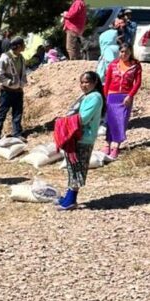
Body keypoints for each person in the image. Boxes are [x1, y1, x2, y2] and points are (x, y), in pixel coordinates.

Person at [56, 71, 105, 210]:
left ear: (95, 82)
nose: (83, 85)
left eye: (86, 82)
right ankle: (68, 197)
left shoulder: (95, 97)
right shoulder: (87, 96)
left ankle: (71, 200)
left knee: (77, 168)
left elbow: (83, 118)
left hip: (84, 137)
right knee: (72, 168)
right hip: (77, 136)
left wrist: (64, 122)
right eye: (81, 82)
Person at [102, 43, 142, 161]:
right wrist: (105, 97)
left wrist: (130, 96)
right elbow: (107, 81)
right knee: (110, 121)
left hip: (125, 97)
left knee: (121, 121)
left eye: (126, 52)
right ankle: (107, 145)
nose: (123, 54)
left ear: (130, 53)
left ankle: (116, 147)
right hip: (112, 95)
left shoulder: (136, 65)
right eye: (122, 52)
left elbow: (138, 83)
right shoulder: (113, 64)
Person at [0, 37, 27, 143]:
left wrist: (22, 84)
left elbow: (23, 73)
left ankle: (17, 133)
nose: (24, 46)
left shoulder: (21, 58)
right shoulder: (5, 57)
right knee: (2, 112)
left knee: (17, 113)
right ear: (18, 46)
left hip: (18, 91)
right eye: (23, 44)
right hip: (6, 91)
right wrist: (9, 82)